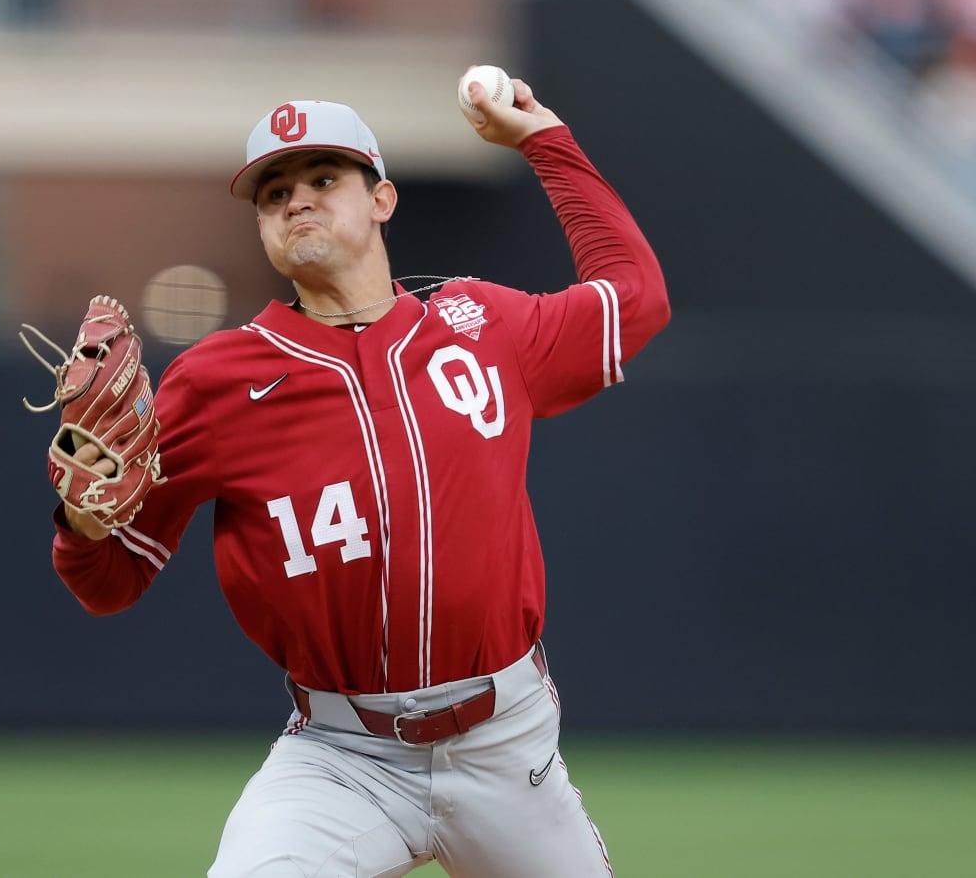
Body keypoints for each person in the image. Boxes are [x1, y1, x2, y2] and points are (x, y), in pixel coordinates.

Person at [50, 71, 670, 877]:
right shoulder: (216, 381)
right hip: (343, 758)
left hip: (506, 746)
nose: (297, 200)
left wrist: (544, 142)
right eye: (274, 192)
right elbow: (110, 582)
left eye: (324, 178)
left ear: (382, 200)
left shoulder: (482, 326)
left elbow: (637, 299)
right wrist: (82, 524)